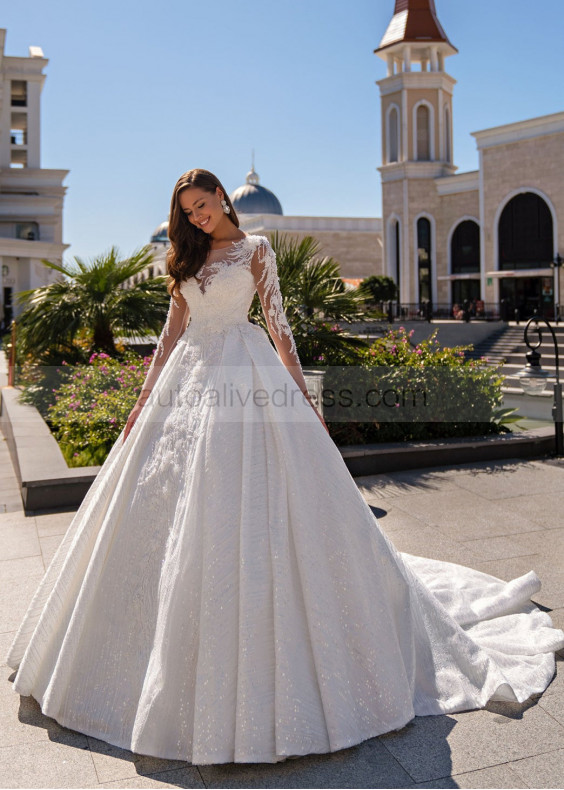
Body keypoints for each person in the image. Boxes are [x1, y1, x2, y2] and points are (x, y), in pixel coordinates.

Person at [6, 169, 564, 766]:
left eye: (202, 205)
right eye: (187, 211)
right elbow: (171, 338)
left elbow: (279, 326)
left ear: (223, 197)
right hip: (188, 384)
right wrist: (143, 402)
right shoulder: (184, 261)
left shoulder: (256, 251)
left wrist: (300, 397)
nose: (196, 217)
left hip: (247, 375)